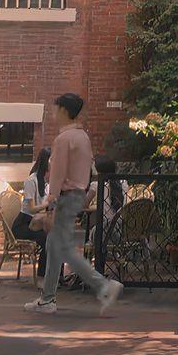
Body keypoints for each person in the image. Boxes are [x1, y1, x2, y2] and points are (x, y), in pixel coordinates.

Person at [24, 93, 123, 315]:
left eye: (55, 109)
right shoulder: (83, 137)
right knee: (54, 246)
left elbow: (57, 175)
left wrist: (50, 204)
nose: (53, 113)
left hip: (65, 196)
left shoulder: (63, 140)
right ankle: (47, 299)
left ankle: (103, 286)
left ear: (64, 111)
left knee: (65, 249)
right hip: (77, 194)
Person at [10, 148, 51, 277]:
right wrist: (47, 203)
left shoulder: (47, 182)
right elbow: (31, 208)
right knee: (47, 240)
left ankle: (57, 276)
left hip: (37, 222)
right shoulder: (31, 181)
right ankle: (42, 276)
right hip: (23, 224)